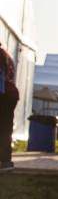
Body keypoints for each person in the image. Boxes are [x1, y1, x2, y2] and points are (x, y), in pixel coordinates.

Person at [0, 44, 18, 172]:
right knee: (6, 128)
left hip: (4, 94)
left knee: (4, 128)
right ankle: (6, 160)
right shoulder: (6, 55)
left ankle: (5, 160)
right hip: (11, 94)